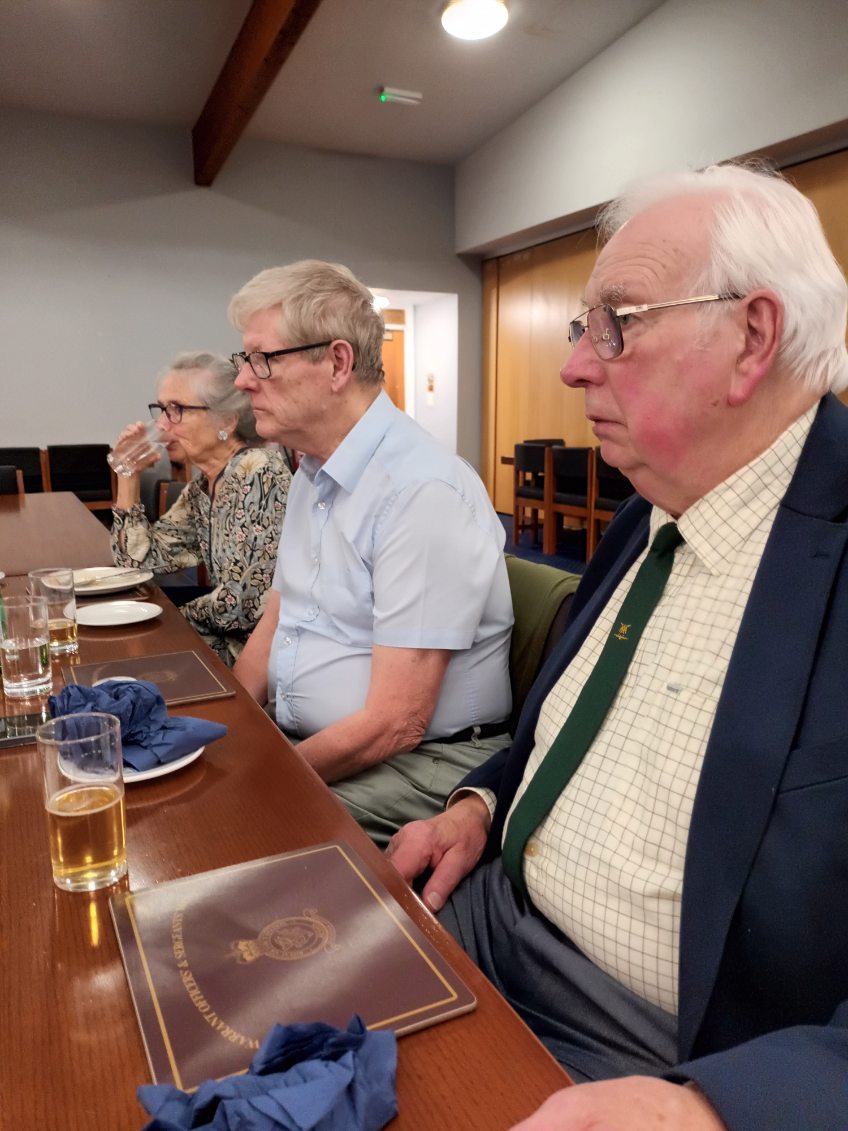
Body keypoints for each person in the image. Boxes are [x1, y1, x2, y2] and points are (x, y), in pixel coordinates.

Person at [386, 162, 848, 1130]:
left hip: (665, 1052)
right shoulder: (647, 507)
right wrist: (479, 805)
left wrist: (713, 1108)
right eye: (580, 326)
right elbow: (567, 728)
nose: (573, 367)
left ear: (751, 338)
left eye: (616, 323)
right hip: (488, 907)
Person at [228, 260, 513, 845]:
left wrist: (257, 778)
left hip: (423, 762)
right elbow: (277, 619)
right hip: (323, 744)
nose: (242, 380)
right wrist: (226, 737)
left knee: (228, 830)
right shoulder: (312, 471)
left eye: (263, 359)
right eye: (244, 359)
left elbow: (396, 722)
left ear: (337, 363)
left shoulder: (420, 490)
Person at [110, 351, 291, 665]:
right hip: (227, 639)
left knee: (131, 658)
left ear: (227, 420)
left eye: (176, 410)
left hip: (268, 655)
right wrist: (127, 474)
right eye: (161, 409)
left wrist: (172, 618)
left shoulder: (259, 473)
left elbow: (241, 604)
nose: (161, 425)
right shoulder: (201, 488)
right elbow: (136, 562)